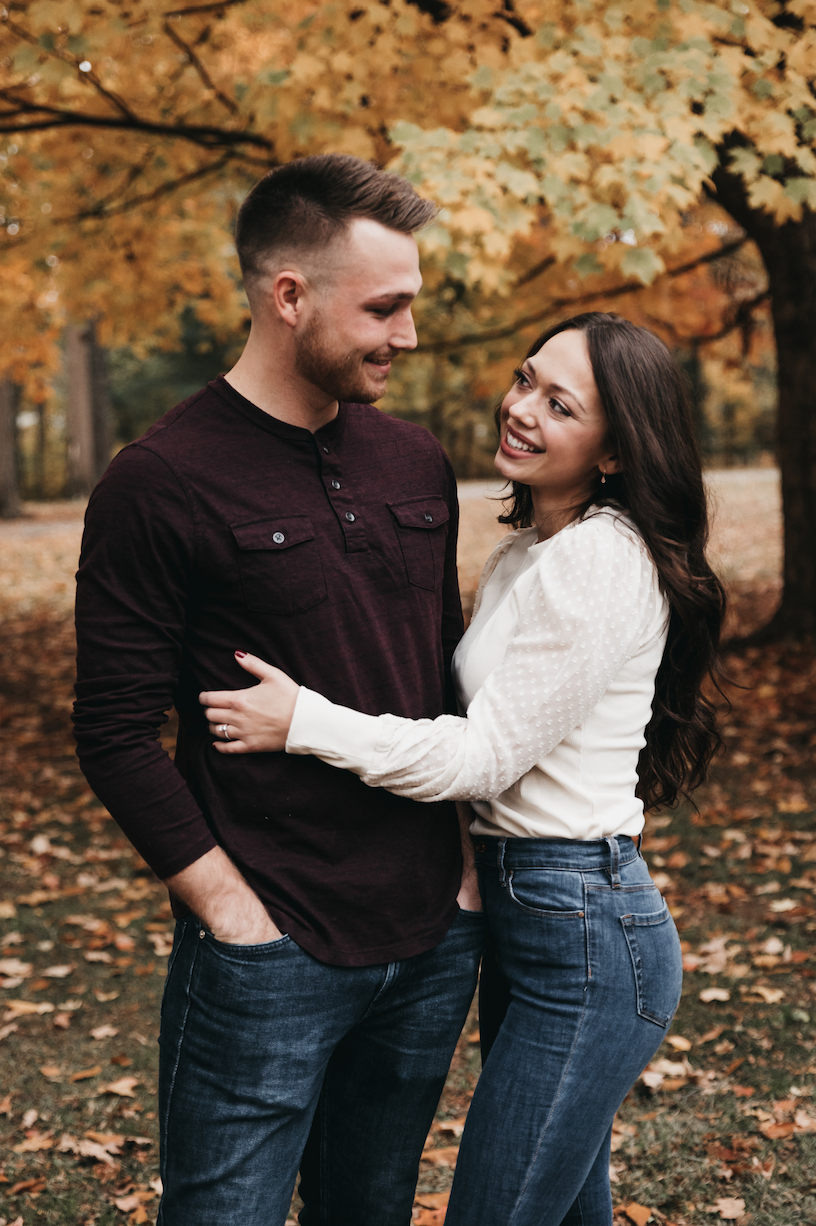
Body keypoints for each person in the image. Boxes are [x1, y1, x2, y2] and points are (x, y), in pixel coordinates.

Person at [199, 311, 727, 1226]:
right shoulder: (531, 550)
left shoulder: (600, 559)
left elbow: (481, 756)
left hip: (586, 932)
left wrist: (305, 723)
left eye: (560, 405)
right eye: (527, 379)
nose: (521, 410)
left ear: (615, 452)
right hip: (531, 920)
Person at [72, 154, 485, 1226]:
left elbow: (446, 668)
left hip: (432, 931)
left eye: (412, 306)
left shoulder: (414, 459)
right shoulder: (157, 480)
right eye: (384, 307)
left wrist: (467, 880)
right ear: (287, 295)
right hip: (271, 947)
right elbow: (113, 728)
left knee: (371, 1207)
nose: (406, 334)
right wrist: (229, 910)